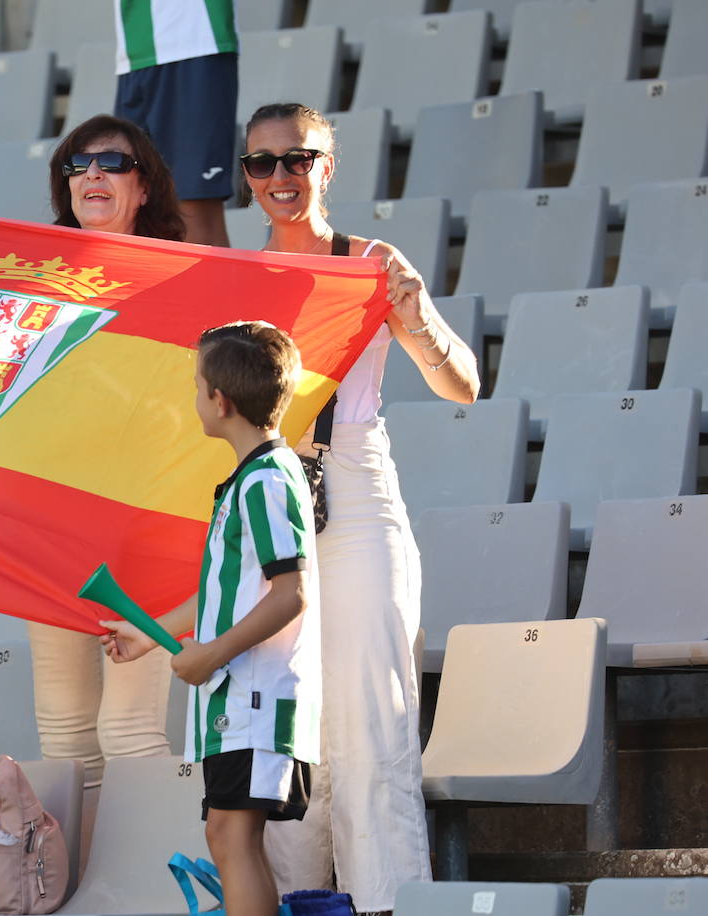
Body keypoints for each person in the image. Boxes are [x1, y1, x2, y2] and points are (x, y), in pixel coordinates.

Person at [241, 102, 481, 915]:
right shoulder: (234, 280)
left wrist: (415, 321)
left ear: (327, 166)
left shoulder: (372, 261)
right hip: (271, 495)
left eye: (297, 159)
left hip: (355, 486)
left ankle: (388, 904)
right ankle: (303, 901)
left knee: (374, 720)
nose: (279, 178)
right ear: (244, 175)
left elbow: (464, 385)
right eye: (262, 163)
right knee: (287, 725)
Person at [101, 321, 320, 916]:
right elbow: (227, 587)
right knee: (226, 837)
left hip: (253, 699)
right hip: (236, 703)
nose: (195, 397)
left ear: (219, 401)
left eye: (197, 385)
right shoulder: (251, 479)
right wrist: (152, 637)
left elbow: (289, 593)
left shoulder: (267, 480)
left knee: (231, 837)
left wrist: (210, 653)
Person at [32, 114, 184, 794]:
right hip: (49, 523)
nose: (92, 174)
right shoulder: (31, 282)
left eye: (112, 163)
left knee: (128, 732)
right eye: (78, 164)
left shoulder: (187, 279)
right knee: (64, 738)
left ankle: (155, 890)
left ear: (144, 186)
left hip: (145, 525)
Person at [113, 0, 238, 246]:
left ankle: (220, 285)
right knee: (131, 211)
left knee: (194, 211)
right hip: (133, 49)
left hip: (193, 39)